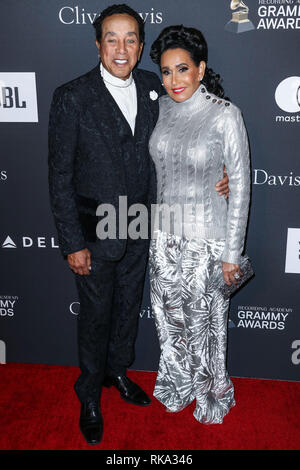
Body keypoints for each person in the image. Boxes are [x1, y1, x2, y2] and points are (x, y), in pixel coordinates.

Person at [48, 5, 229, 445]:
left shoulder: (155, 86)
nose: (122, 48)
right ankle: (89, 393)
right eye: (112, 38)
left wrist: (219, 175)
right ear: (97, 44)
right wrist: (73, 242)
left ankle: (118, 373)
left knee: (128, 310)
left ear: (142, 45)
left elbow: (194, 128)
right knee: (95, 317)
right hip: (95, 234)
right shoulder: (72, 96)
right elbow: (59, 176)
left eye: (131, 39)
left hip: (145, 227)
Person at [149, 25, 250, 424]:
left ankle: (212, 395)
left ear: (201, 69)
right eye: (167, 71)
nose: (174, 80)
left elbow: (239, 185)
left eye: (183, 69)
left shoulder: (225, 115)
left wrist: (232, 253)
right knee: (167, 322)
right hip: (162, 236)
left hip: (208, 240)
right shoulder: (161, 108)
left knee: (207, 330)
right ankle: (177, 385)